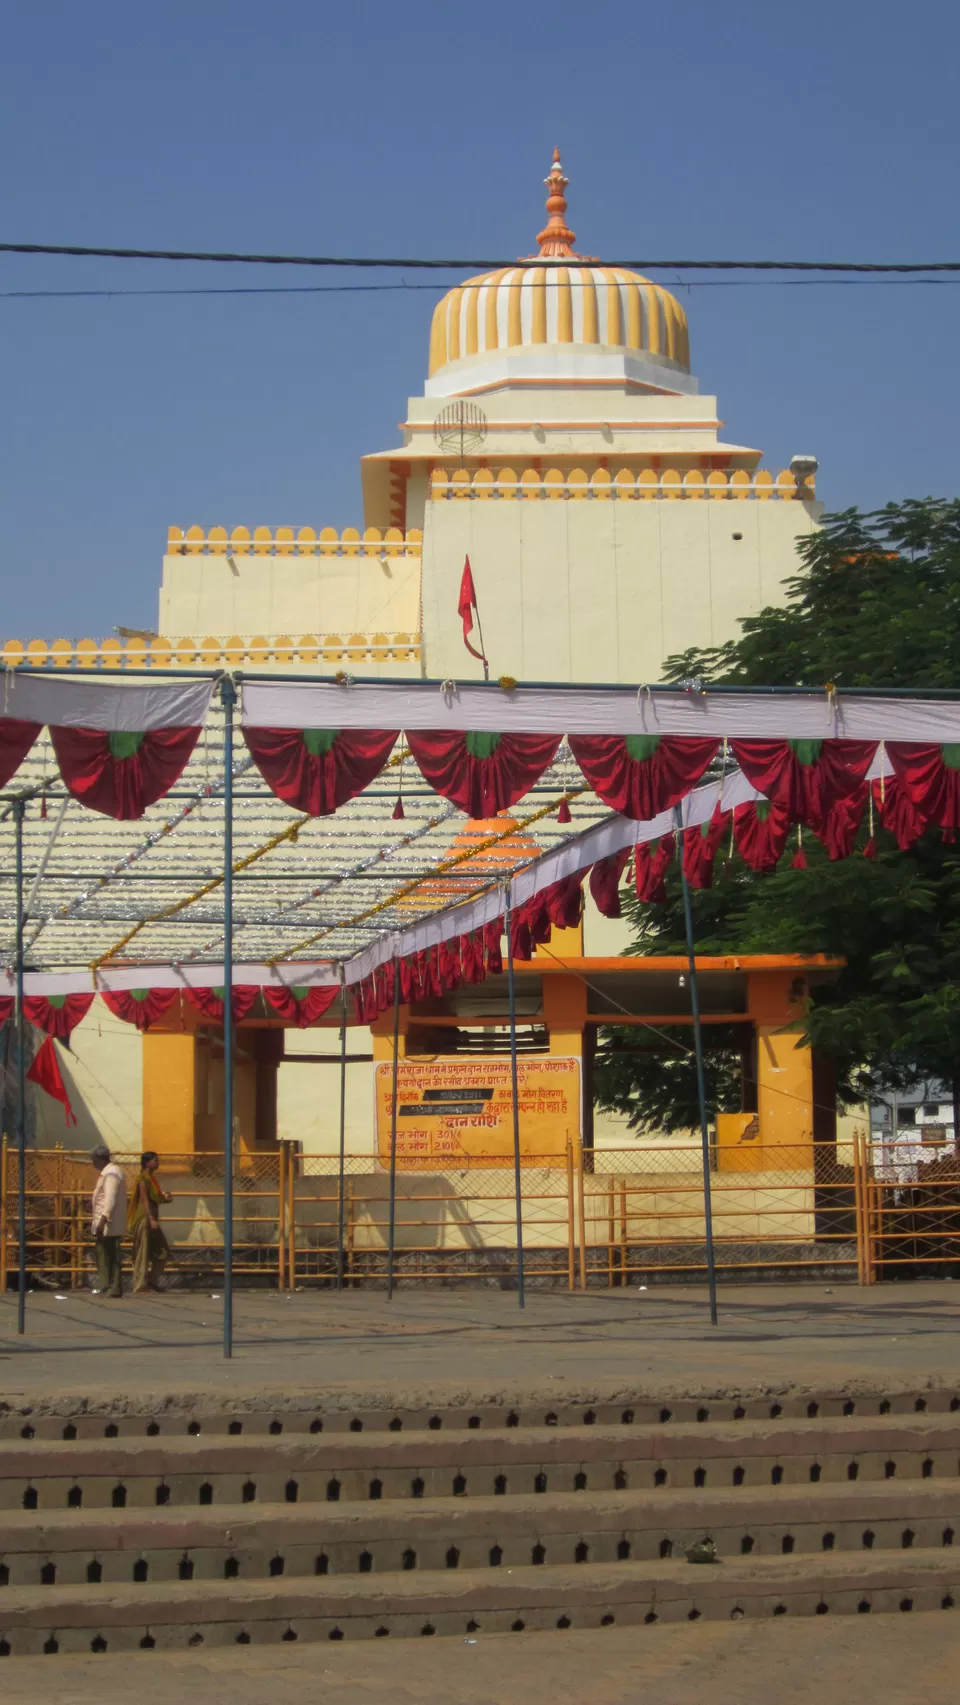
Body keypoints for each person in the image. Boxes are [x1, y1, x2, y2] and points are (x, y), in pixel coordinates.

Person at [129, 1151, 172, 1294]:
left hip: (152, 1219)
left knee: (162, 1251)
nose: (157, 1163)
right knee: (143, 1252)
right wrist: (151, 1218)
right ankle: (140, 1285)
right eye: (155, 1160)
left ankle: (152, 1281)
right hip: (144, 1219)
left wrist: (165, 1197)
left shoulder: (152, 1179)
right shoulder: (143, 1179)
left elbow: (155, 1198)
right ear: (147, 1163)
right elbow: (145, 1200)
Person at [90, 1145, 127, 1298]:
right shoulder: (109, 1172)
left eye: (94, 1160)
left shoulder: (111, 1174)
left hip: (108, 1224)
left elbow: (110, 1199)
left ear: (100, 1159)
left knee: (110, 1255)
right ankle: (109, 1285)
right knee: (106, 1254)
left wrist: (103, 1221)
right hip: (108, 1223)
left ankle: (112, 1286)